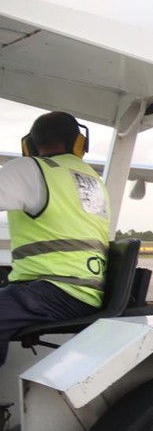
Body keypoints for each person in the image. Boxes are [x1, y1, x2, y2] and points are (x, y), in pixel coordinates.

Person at [0, 111, 110, 367]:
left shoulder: (31, 169)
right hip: (84, 292)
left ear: (28, 144)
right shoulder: (92, 179)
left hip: (52, 290)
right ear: (80, 143)